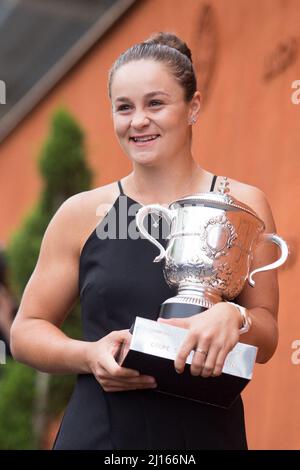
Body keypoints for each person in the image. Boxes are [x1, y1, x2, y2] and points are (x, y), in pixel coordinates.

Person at [10, 32, 279, 450]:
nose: (138, 121)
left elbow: (267, 336)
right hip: (101, 436)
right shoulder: (83, 213)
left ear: (193, 107)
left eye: (155, 103)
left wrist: (234, 318)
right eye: (124, 107)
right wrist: (88, 354)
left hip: (206, 437)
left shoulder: (241, 203)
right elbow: (26, 329)